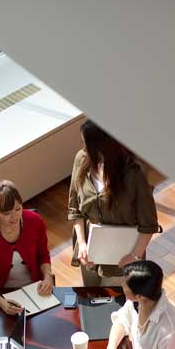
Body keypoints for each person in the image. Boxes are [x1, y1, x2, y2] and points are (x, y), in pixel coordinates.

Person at [67, 120, 160, 286]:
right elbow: (75, 208)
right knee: (91, 297)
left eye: (87, 144)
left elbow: (149, 224)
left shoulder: (134, 173)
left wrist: (135, 257)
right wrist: (82, 244)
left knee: (114, 303)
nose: (84, 149)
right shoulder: (81, 159)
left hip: (122, 254)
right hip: (89, 249)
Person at [0, 180, 54, 315]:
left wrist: (48, 276)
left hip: (36, 288)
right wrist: (1, 303)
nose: (15, 217)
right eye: (6, 213)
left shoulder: (35, 221)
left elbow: (43, 255)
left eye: (18, 209)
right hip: (2, 292)